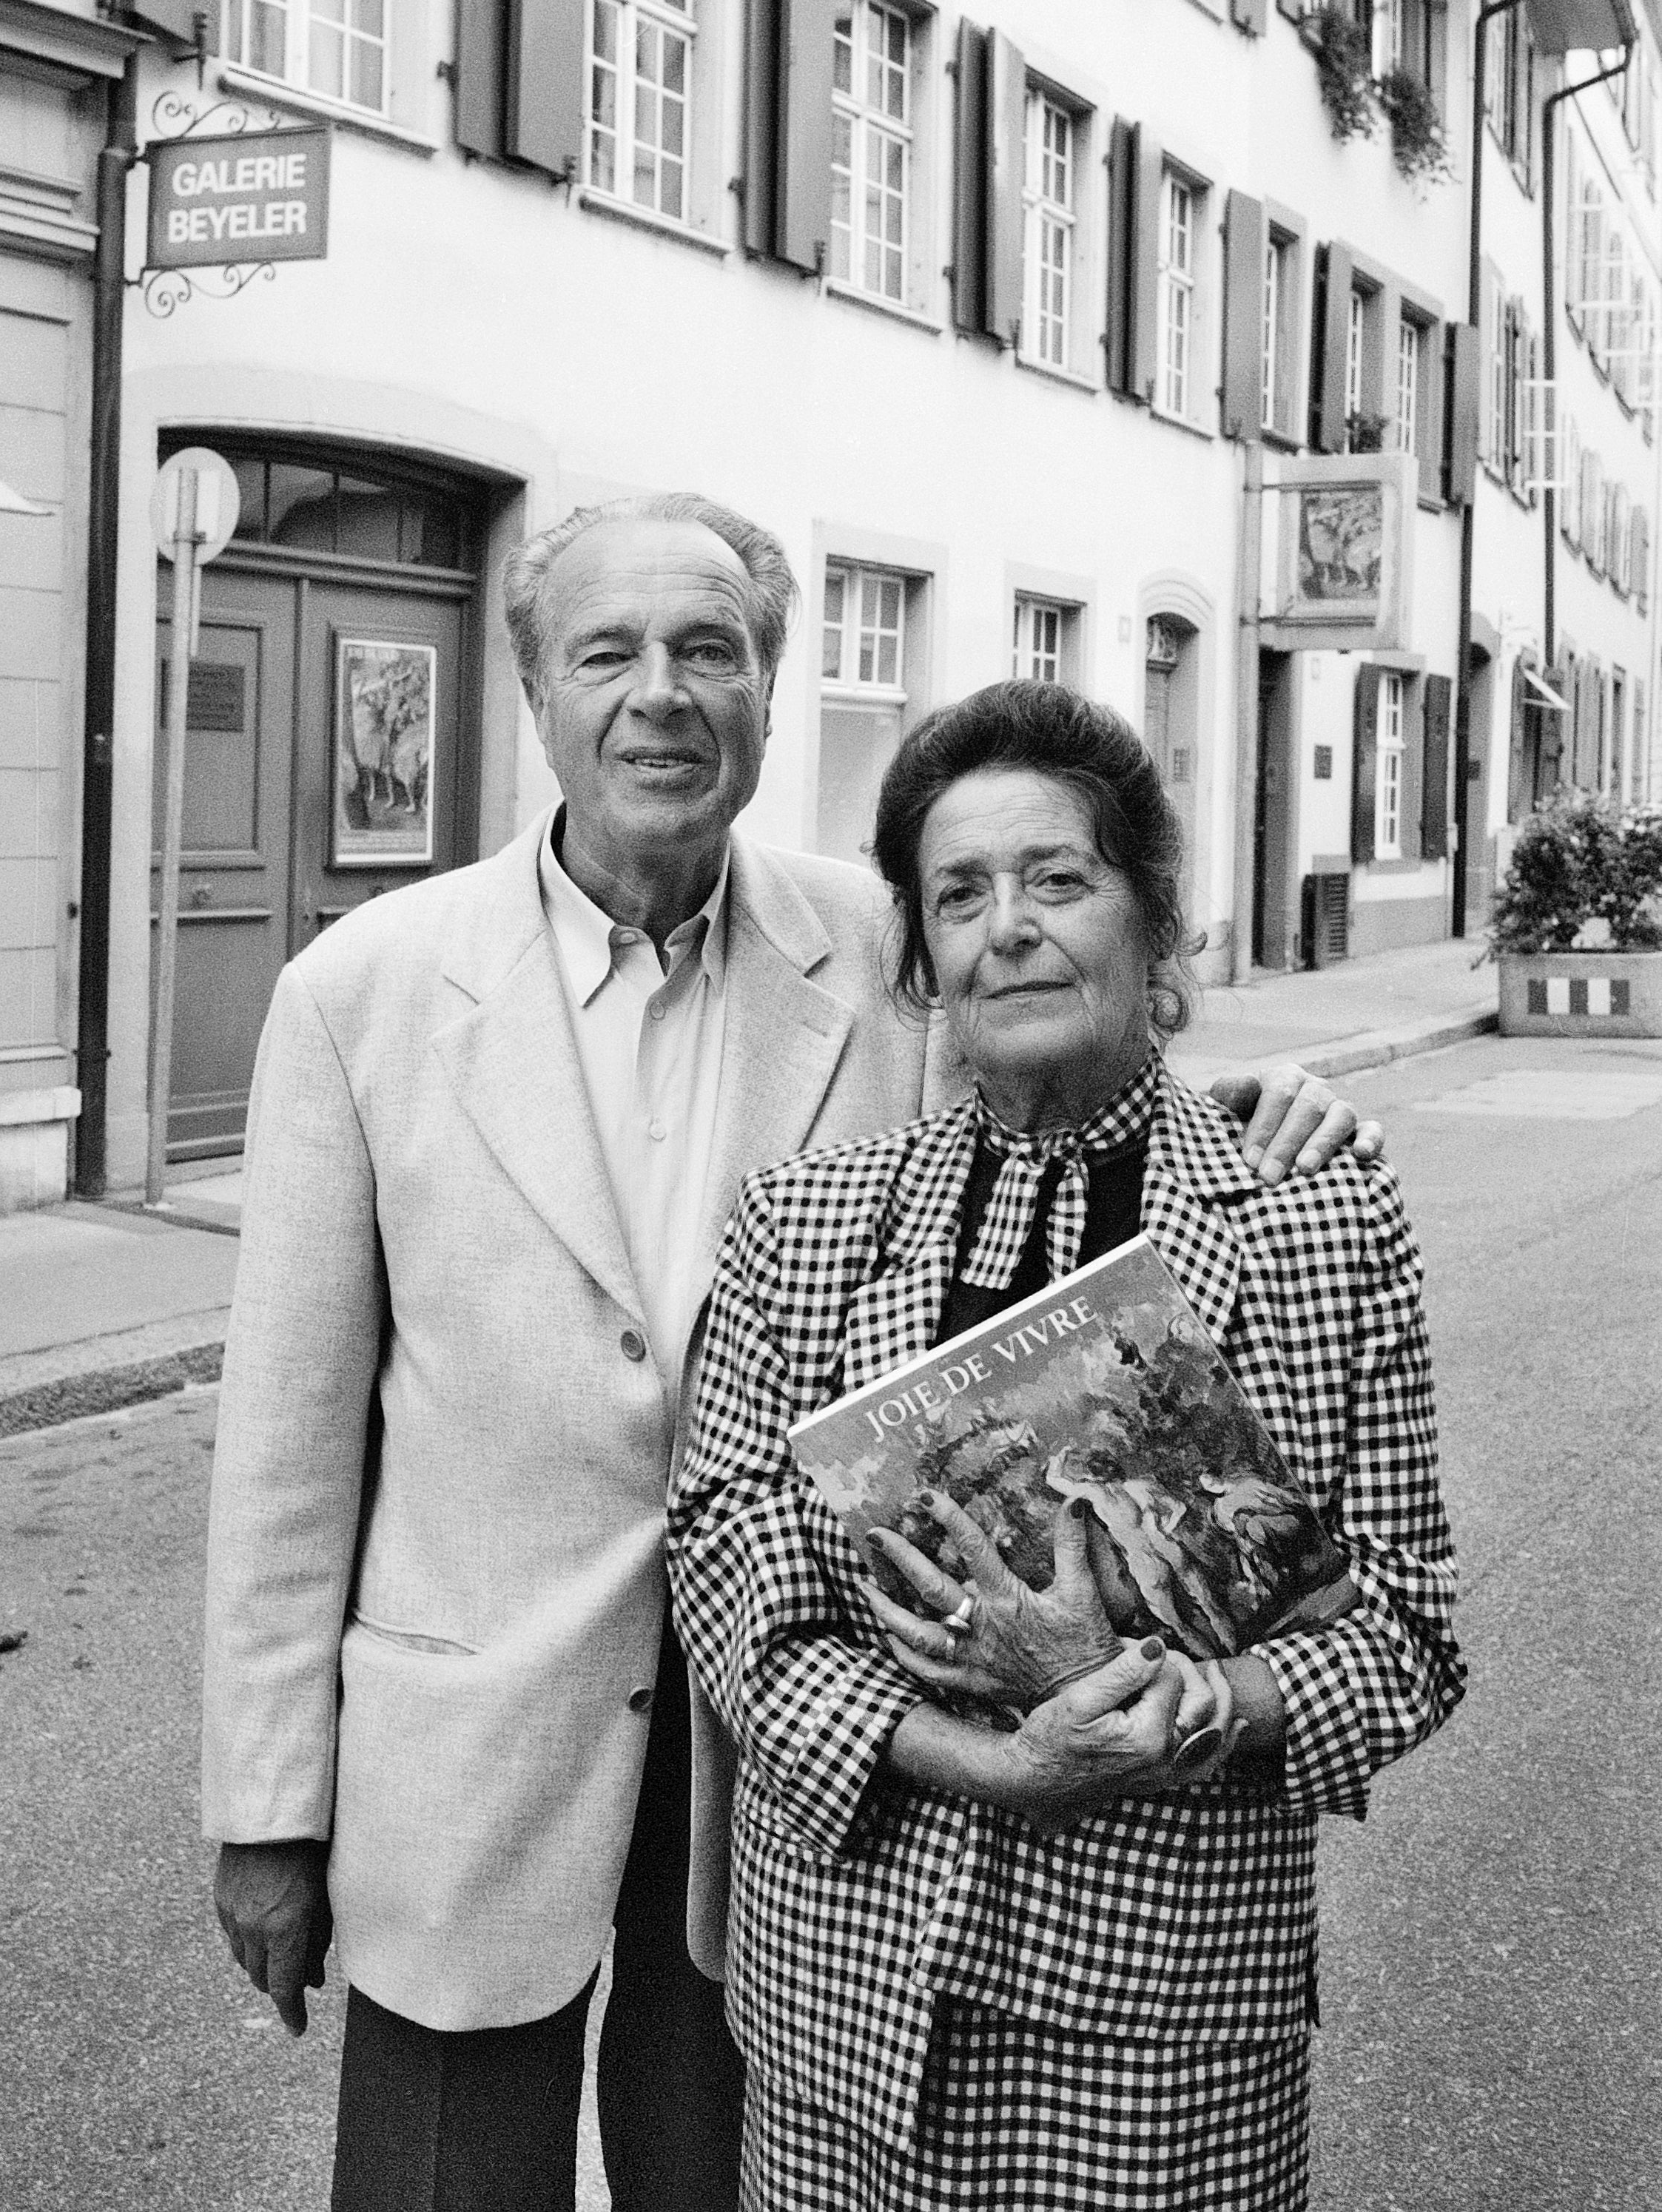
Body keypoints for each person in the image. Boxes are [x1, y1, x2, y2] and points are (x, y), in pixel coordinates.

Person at [202, 499, 1383, 2212]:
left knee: (716, 2182)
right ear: (534, 688)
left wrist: (1255, 1111)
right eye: (609, 652)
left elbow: (1047, 1104)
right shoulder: (361, 991)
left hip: (782, 1765)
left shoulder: (883, 945)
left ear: (772, 690)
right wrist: (267, 1806)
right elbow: (288, 1448)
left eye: (714, 652)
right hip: (467, 1742)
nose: (662, 696)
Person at [668, 679, 1464, 2211]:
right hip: (845, 2007)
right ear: (924, 959)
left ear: (1151, 924)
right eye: (958, 893)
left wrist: (1190, 1698)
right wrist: (997, 1760)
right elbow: (735, 1594)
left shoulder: (1318, 1216)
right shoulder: (807, 1224)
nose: (1007, 926)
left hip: (1157, 2032)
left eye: (1057, 877)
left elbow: (1408, 1638)